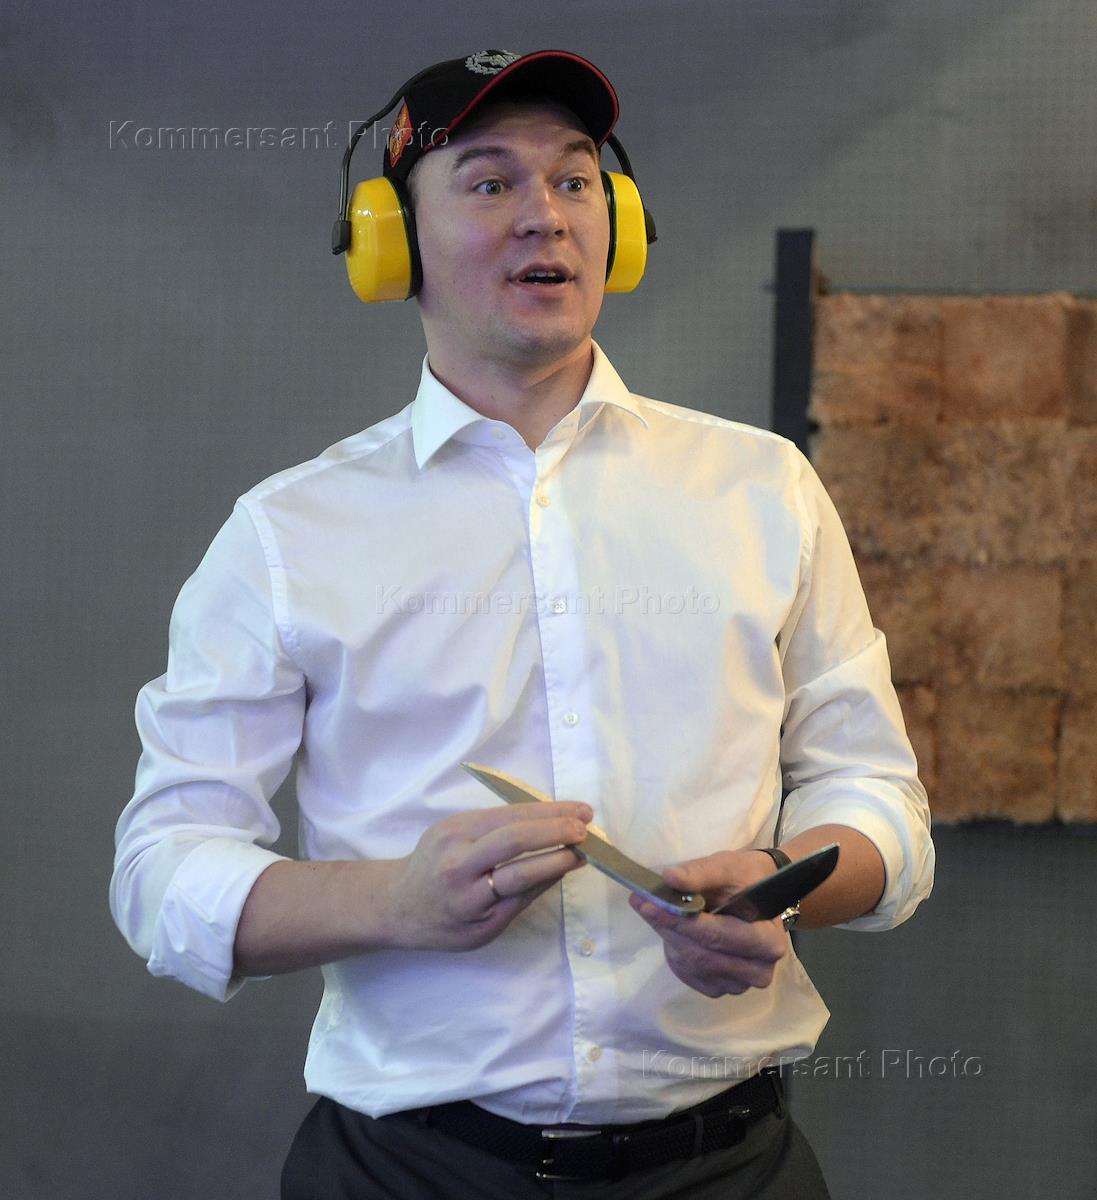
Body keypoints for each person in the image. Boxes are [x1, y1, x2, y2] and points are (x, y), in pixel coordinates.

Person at [111, 48, 934, 1199]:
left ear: (617, 225)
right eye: (490, 182)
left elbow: (875, 797)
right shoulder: (286, 533)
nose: (544, 215)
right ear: (390, 241)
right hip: (407, 1173)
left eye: (574, 179)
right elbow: (160, 875)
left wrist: (779, 881)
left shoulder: (764, 488)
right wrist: (390, 903)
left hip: (729, 1169)